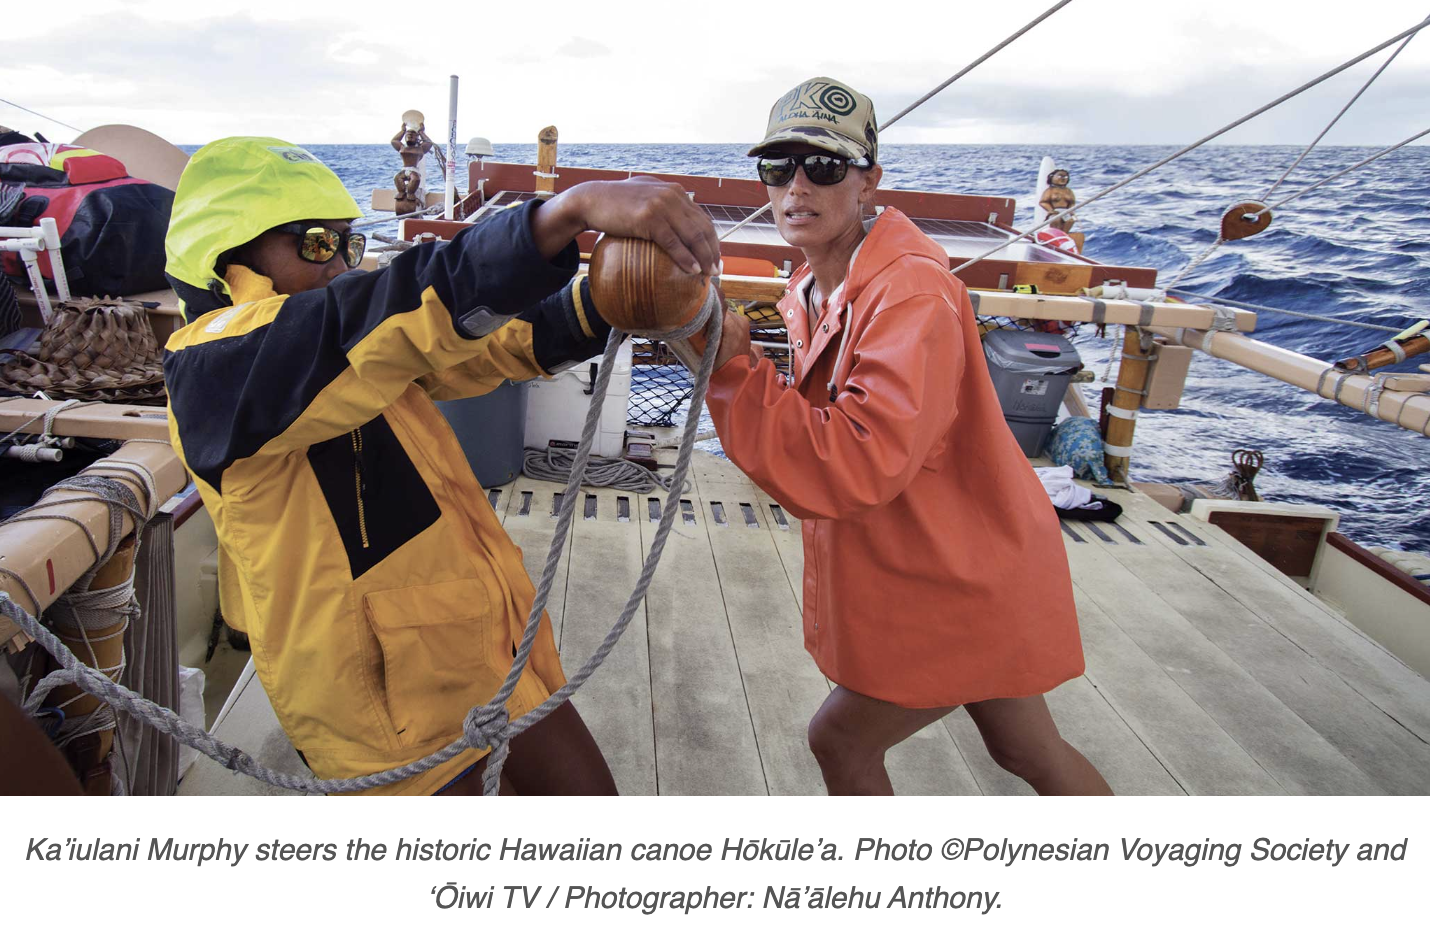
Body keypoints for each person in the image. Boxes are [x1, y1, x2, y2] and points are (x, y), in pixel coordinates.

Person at [162, 136, 719, 795]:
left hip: (489, 656)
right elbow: (367, 318)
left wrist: (605, 306)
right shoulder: (214, 373)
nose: (341, 264)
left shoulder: (360, 353)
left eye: (349, 242)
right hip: (381, 715)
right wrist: (560, 217)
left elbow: (481, 345)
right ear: (225, 261)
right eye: (316, 243)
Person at [703, 78, 1111, 796]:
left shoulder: (909, 292)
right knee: (1028, 751)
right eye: (777, 168)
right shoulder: (811, 286)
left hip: (955, 575)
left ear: (869, 182)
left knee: (839, 740)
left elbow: (855, 463)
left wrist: (732, 367)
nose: (796, 186)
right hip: (957, 559)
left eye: (823, 167)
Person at [391, 121, 436, 214]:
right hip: (404, 169)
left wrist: (421, 132)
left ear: (417, 139)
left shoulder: (420, 149)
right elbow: (394, 141)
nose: (410, 135)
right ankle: (401, 192)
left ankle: (411, 194)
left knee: (415, 179)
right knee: (397, 177)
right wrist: (402, 131)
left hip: (413, 170)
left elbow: (429, 142)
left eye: (413, 135)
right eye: (408, 134)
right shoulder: (402, 147)